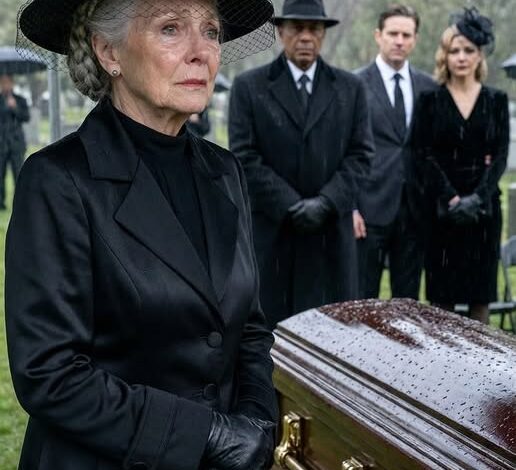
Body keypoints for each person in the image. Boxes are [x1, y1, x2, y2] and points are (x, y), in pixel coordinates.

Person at [5, 0, 278, 468]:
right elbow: (50, 373)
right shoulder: (58, 180)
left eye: (211, 31)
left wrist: (257, 421)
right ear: (108, 51)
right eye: (170, 28)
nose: (201, 52)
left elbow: (248, 327)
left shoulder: (225, 171)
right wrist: (207, 435)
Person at [228, 0, 374, 328]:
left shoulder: (351, 89)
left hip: (330, 239)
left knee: (331, 334)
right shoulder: (249, 87)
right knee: (270, 336)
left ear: (323, 35)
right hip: (274, 237)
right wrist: (291, 205)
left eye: (314, 29)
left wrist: (325, 203)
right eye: (297, 28)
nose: (306, 37)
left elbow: (361, 155)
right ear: (281, 32)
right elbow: (244, 156)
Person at [412, 7, 509, 324]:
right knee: (442, 302)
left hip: (483, 214)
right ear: (445, 55)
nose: (462, 57)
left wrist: (476, 198)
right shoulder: (429, 100)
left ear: (480, 55)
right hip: (442, 212)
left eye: (468, 50)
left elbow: (500, 156)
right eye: (454, 51)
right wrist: (452, 198)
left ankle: (481, 359)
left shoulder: (496, 100)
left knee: (480, 298)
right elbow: (423, 154)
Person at [354, 5, 435, 301]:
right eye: (393, 34)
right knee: (362, 301)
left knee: (407, 304)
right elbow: (344, 150)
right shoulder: (355, 84)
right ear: (378, 35)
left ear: (415, 39)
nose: (399, 41)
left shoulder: (428, 87)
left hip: (413, 212)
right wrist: (351, 208)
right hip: (368, 210)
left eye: (406, 35)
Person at [0, 73, 29, 210]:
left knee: (18, 174)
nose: (5, 85)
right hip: (1, 143)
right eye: (3, 82)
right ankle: (0, 203)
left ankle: (19, 203)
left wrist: (15, 107)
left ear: (12, 83)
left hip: (16, 144)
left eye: (7, 82)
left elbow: (26, 117)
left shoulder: (20, 100)